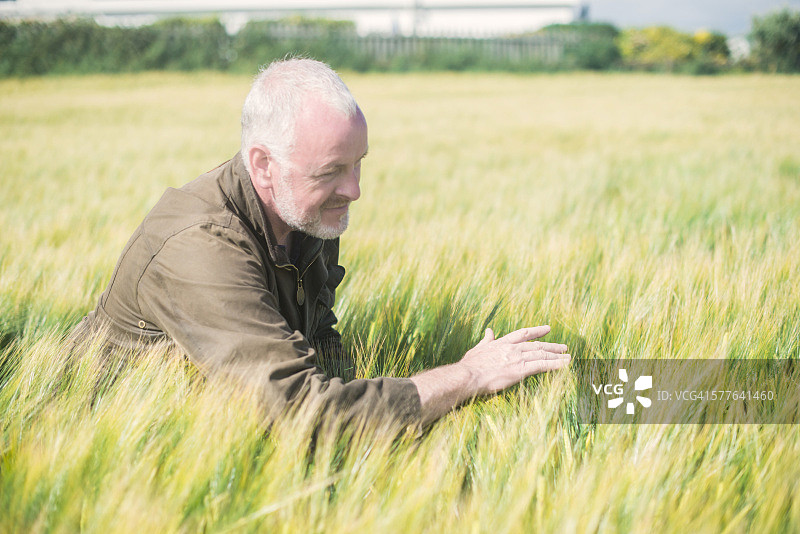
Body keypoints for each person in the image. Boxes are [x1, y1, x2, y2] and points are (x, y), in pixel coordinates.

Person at [70, 58, 570, 428]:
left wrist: (433, 389)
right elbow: (300, 413)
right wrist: (465, 378)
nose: (354, 190)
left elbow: (320, 337)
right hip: (116, 435)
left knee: (567, 395)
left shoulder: (304, 208)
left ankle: (648, 395)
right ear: (264, 164)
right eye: (332, 171)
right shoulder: (199, 248)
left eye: (359, 164)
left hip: (224, 428)